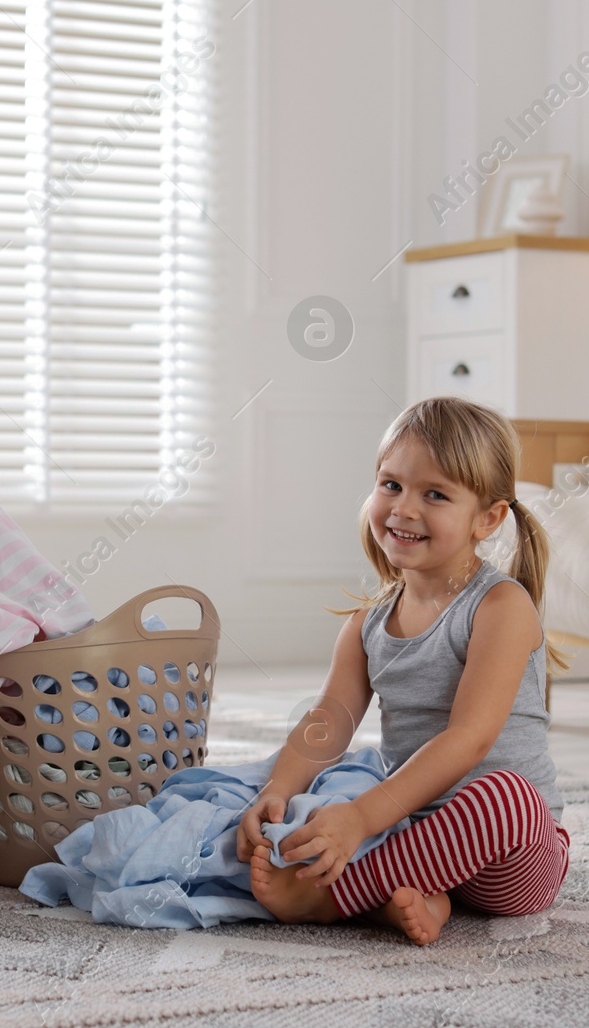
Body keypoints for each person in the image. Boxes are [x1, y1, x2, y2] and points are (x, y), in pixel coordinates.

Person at [242, 396, 569, 945]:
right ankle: (412, 896)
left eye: (435, 494)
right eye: (391, 485)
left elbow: (469, 738)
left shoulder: (499, 608)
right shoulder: (368, 623)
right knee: (315, 778)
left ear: (487, 519)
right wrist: (276, 789)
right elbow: (330, 719)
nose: (404, 508)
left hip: (510, 856)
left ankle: (331, 900)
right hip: (409, 829)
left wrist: (360, 819)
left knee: (507, 796)